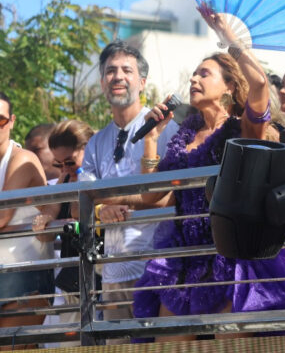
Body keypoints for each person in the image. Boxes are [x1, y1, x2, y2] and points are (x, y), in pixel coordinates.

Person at [133, 8, 285, 341]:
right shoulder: (181, 137)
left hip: (231, 256)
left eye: (204, 74)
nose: (193, 80)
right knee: (168, 344)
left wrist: (229, 39)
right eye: (193, 75)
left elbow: (258, 82)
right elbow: (151, 196)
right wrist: (152, 140)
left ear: (229, 85)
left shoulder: (239, 129)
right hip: (184, 259)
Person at [79, 41, 179, 342]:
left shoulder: (166, 129)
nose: (118, 77)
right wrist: (98, 209)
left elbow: (167, 195)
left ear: (142, 81)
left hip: (159, 263)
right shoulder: (96, 141)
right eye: (110, 71)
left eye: (127, 70)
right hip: (112, 272)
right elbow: (80, 200)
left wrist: (105, 196)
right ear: (102, 82)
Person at [0, 91, 56, 340]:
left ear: (11, 121)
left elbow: (1, 217)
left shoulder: (22, 159)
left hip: (25, 278)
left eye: (0, 120)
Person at [32, 120, 95, 337]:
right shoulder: (66, 179)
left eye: (70, 162)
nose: (65, 169)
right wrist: (45, 218)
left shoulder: (101, 174)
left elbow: (80, 211)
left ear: (89, 149)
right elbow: (45, 235)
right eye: (59, 164)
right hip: (74, 283)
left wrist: (80, 177)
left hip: (104, 277)